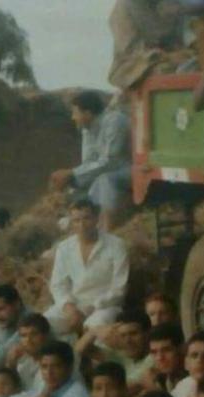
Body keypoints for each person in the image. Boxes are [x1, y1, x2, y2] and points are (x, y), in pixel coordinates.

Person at [44, 200, 129, 336]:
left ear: (96, 219)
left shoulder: (116, 245)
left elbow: (119, 288)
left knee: (95, 328)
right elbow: (58, 284)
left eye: (86, 218)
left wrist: (91, 308)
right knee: (44, 323)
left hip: (105, 307)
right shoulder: (64, 248)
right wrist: (68, 306)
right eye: (76, 220)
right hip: (74, 305)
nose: (82, 225)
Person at [49, 92, 132, 228]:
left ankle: (105, 227)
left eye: (75, 113)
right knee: (76, 189)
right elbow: (89, 163)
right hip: (109, 170)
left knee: (104, 180)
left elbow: (111, 162)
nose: (73, 118)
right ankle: (73, 222)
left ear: (87, 113)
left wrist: (71, 173)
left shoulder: (114, 121)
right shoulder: (87, 129)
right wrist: (70, 179)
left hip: (129, 169)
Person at [148, 322, 187, 394]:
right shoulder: (159, 379)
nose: (159, 358)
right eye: (154, 352)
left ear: (182, 349)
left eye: (166, 350)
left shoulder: (194, 378)